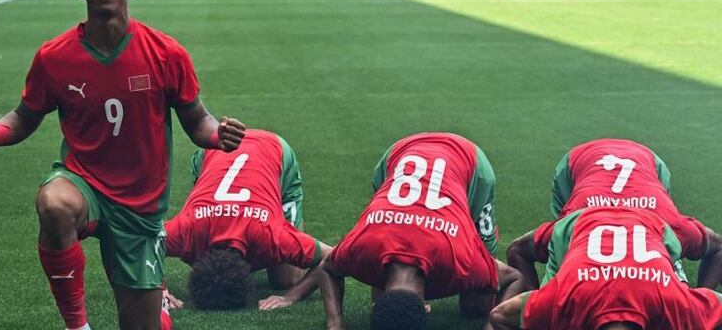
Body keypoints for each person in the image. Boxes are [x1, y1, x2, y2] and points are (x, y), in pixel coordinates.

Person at [0, 0, 246, 330]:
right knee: (55, 204)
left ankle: (156, 313)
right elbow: (24, 117)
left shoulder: (166, 53)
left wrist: (219, 135)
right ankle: (77, 326)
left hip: (140, 206)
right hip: (84, 184)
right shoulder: (54, 56)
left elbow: (197, 121)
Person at [259, 133, 525, 330]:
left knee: (476, 308)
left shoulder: (460, 260)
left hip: (469, 162)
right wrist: (334, 321)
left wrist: (491, 325)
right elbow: (327, 267)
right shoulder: (364, 248)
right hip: (398, 154)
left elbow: (514, 277)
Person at [507, 138, 722, 290]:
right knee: (562, 262)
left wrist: (703, 307)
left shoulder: (673, 228)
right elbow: (519, 250)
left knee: (669, 267)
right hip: (578, 163)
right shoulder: (569, 227)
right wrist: (534, 312)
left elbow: (718, 248)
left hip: (648, 163)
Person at [162, 129, 333, 314]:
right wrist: (160, 290)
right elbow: (141, 243)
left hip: (272, 148)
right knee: (282, 275)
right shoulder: (188, 229)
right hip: (217, 148)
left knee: (287, 281)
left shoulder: (270, 235)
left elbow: (332, 256)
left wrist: (291, 295)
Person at [489, 207, 722, 330]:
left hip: (648, 223)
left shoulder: (675, 303)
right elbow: (499, 316)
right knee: (522, 251)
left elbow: (500, 316)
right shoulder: (563, 299)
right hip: (582, 222)